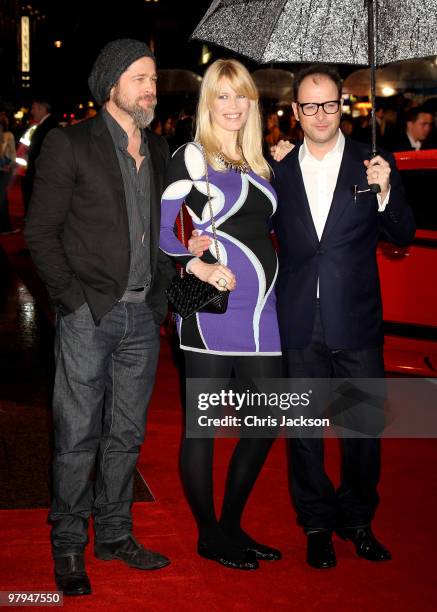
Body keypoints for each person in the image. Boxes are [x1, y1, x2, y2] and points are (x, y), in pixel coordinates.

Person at [25, 39, 174, 596]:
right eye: (139, 77)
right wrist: (73, 301)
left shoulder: (158, 150)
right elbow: (40, 232)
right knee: (77, 435)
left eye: (153, 78)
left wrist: (159, 296)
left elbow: (163, 230)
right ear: (111, 84)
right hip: (90, 315)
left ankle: (114, 533)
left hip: (142, 316)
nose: (150, 87)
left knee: (126, 435)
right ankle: (68, 544)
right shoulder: (70, 144)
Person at [271, 64, 415, 569]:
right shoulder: (278, 171)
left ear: (342, 106)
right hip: (297, 320)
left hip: (354, 320)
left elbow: (402, 234)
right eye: (309, 106)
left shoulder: (372, 161)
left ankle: (357, 518)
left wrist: (385, 190)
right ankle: (315, 521)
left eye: (329, 103)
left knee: (362, 430)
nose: (320, 114)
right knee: (304, 431)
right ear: (295, 112)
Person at [159, 59, 282, 570]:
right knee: (203, 427)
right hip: (213, 309)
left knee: (270, 416)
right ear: (208, 103)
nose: (233, 107)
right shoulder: (192, 156)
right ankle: (209, 534)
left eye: (242, 97)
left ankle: (231, 524)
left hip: (263, 312)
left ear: (254, 102)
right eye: (222, 97)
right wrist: (198, 264)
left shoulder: (260, 161)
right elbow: (166, 231)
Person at [21, 98, 58, 214]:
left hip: (41, 174)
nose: (31, 111)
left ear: (42, 109)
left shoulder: (49, 126)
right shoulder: (44, 125)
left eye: (34, 108)